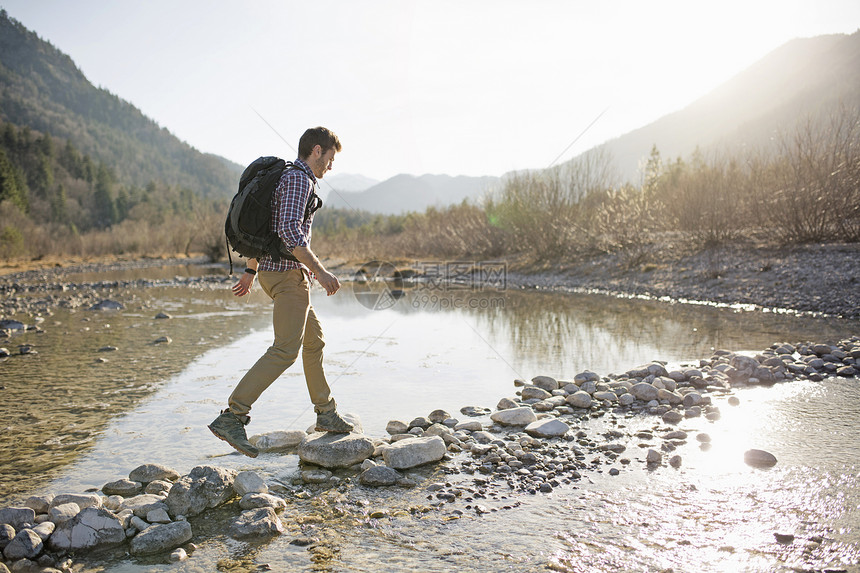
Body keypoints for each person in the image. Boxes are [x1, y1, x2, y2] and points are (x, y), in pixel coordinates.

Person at [208, 126, 353, 458]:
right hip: (288, 278)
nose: (330, 167)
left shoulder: (285, 177)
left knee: (313, 341)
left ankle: (325, 412)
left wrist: (250, 271)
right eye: (329, 159)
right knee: (285, 350)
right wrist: (320, 271)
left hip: (277, 275)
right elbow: (288, 232)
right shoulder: (299, 179)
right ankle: (233, 416)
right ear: (316, 151)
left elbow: (269, 230)